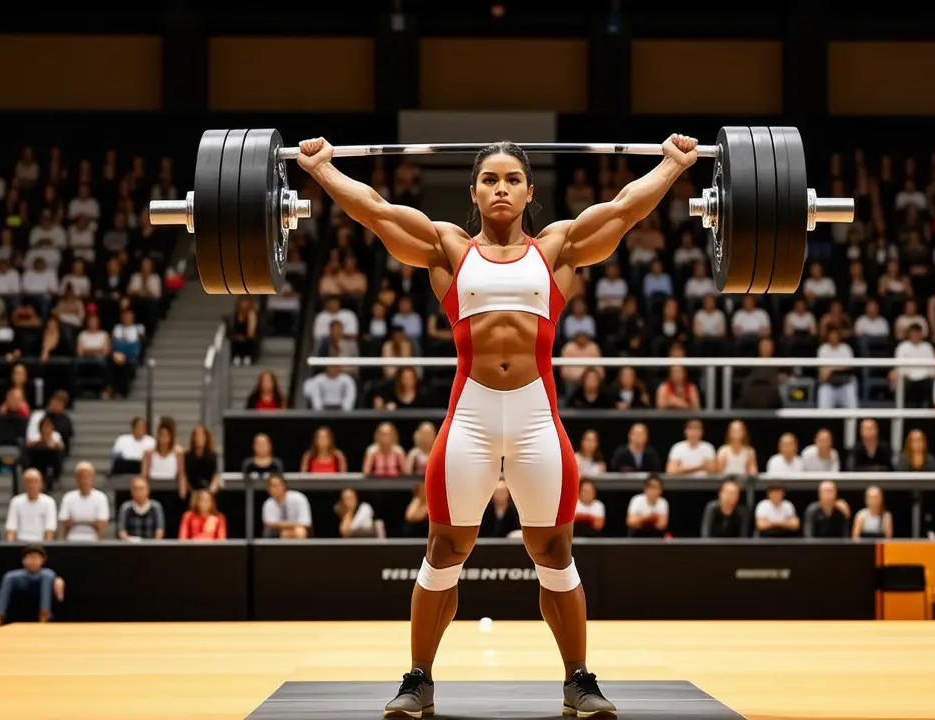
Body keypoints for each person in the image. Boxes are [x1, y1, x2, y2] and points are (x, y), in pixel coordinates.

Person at [300, 134, 698, 717]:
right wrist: (322, 169)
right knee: (444, 547)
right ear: (474, 192)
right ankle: (419, 680)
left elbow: (625, 208)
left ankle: (578, 680)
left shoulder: (558, 247)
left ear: (530, 191)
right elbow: (376, 211)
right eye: (490, 179)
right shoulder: (448, 248)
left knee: (554, 550)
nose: (502, 188)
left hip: (537, 419)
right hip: (472, 419)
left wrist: (672, 164)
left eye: (512, 179)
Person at [0, 545, 64, 625]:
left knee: (47, 575)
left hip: (42, 583)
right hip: (24, 582)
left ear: (43, 560)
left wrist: (58, 584)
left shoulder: (48, 573)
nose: (32, 561)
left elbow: (59, 595)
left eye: (35, 558)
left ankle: (44, 614)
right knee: (8, 577)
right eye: (29, 558)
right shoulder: (13, 576)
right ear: (23, 560)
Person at [58, 462, 109, 542]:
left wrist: (76, 520)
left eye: (87, 477)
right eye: (81, 477)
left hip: (93, 540)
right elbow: (65, 522)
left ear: (93, 478)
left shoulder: (101, 497)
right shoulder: (68, 497)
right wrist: (91, 521)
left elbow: (101, 523)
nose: (84, 480)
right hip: (71, 539)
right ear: (76, 479)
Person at [262, 474, 312, 539]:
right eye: (272, 486)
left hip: (298, 530)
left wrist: (284, 525)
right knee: (282, 533)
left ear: (284, 486)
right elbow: (269, 525)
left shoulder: (298, 498)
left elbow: (306, 523)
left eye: (277, 485)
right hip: (278, 533)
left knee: (300, 531)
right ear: (268, 489)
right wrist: (286, 527)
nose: (275, 488)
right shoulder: (268, 504)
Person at [117, 476, 165, 541]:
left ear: (148, 490)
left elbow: (159, 531)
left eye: (141, 489)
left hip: (151, 545)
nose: (138, 492)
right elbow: (122, 531)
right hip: (131, 545)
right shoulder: (126, 507)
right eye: (135, 489)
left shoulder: (156, 507)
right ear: (131, 491)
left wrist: (154, 545)